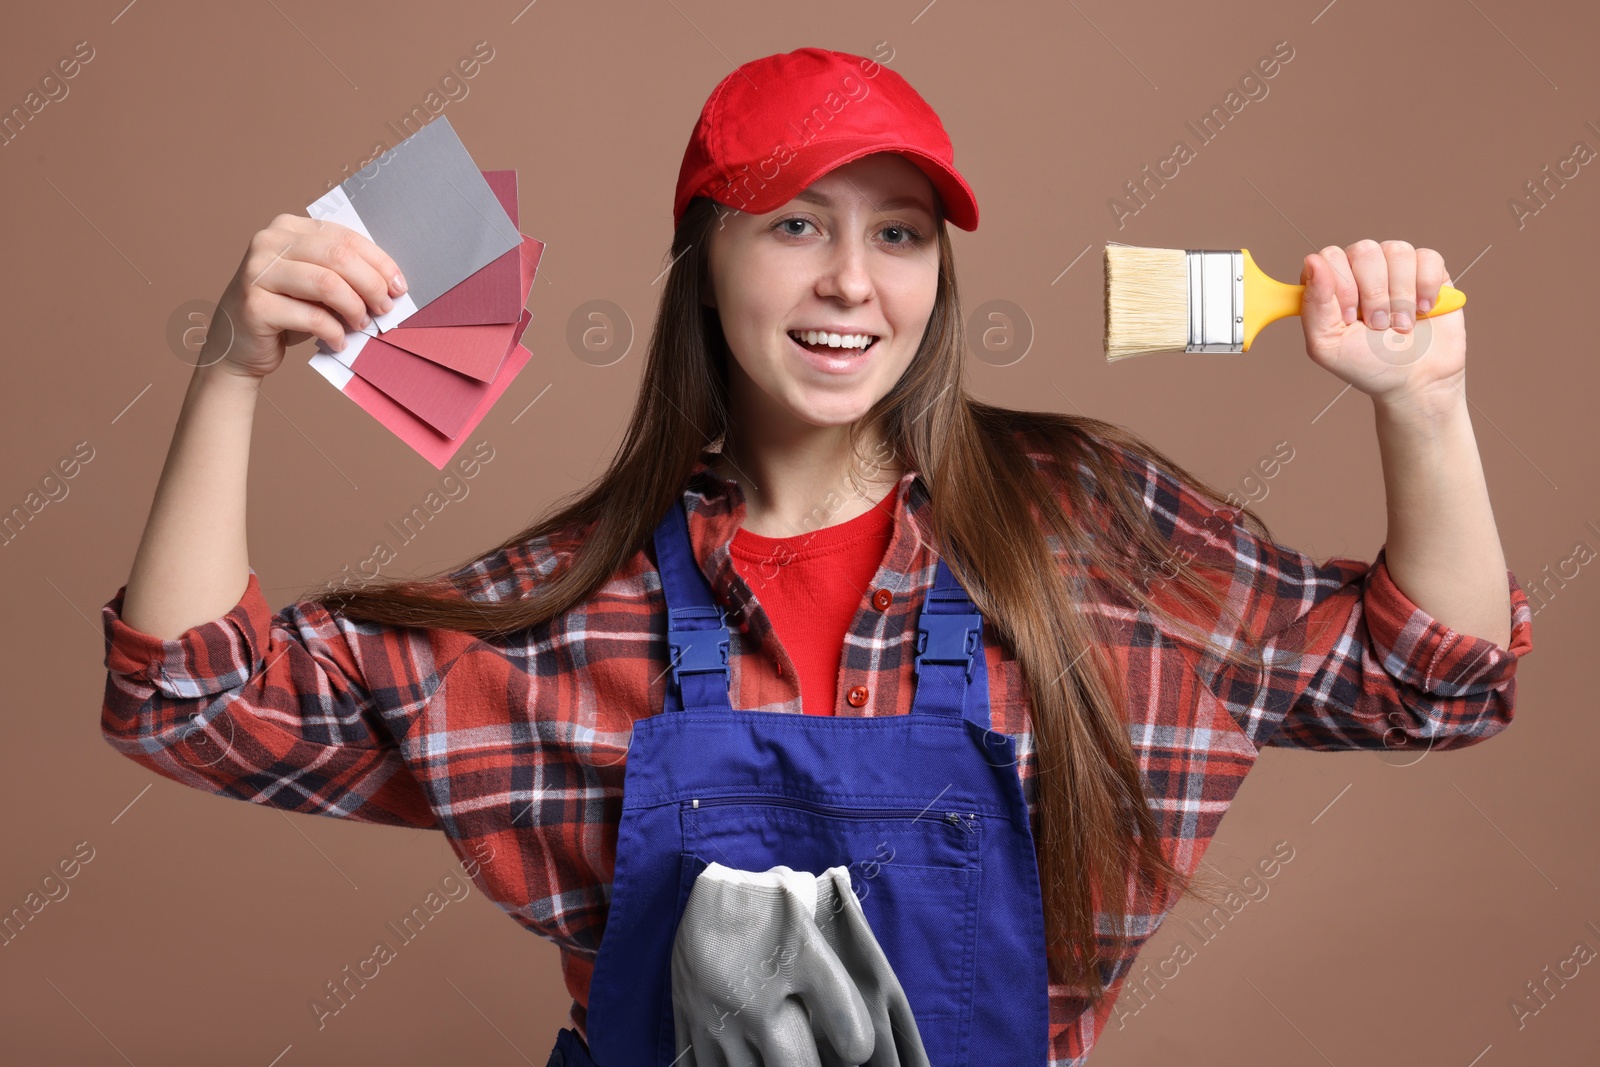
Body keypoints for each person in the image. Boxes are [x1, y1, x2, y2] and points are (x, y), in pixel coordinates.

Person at [100, 47, 1534, 1066]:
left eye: (898, 234)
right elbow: (197, 705)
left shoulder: (1085, 528)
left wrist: (1424, 404)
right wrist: (230, 370)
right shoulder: (579, 605)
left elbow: (1430, 683)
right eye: (796, 226)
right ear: (706, 262)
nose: (854, 280)